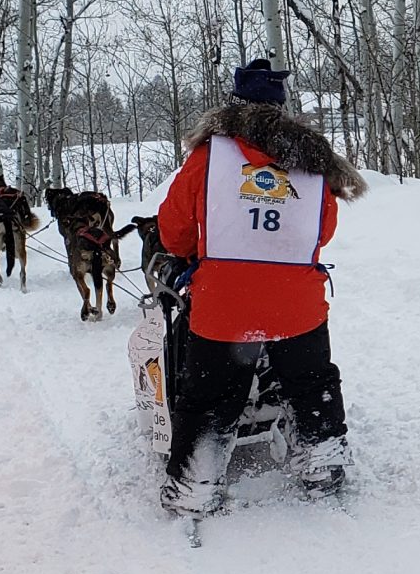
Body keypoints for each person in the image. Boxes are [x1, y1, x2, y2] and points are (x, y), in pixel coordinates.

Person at [156, 59, 368, 510]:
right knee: (311, 382)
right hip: (297, 304)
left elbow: (174, 228)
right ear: (281, 109)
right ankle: (322, 464)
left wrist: (194, 255)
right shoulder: (311, 161)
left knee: (209, 396)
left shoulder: (208, 156)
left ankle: (195, 485)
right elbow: (322, 230)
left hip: (224, 305)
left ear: (234, 106)